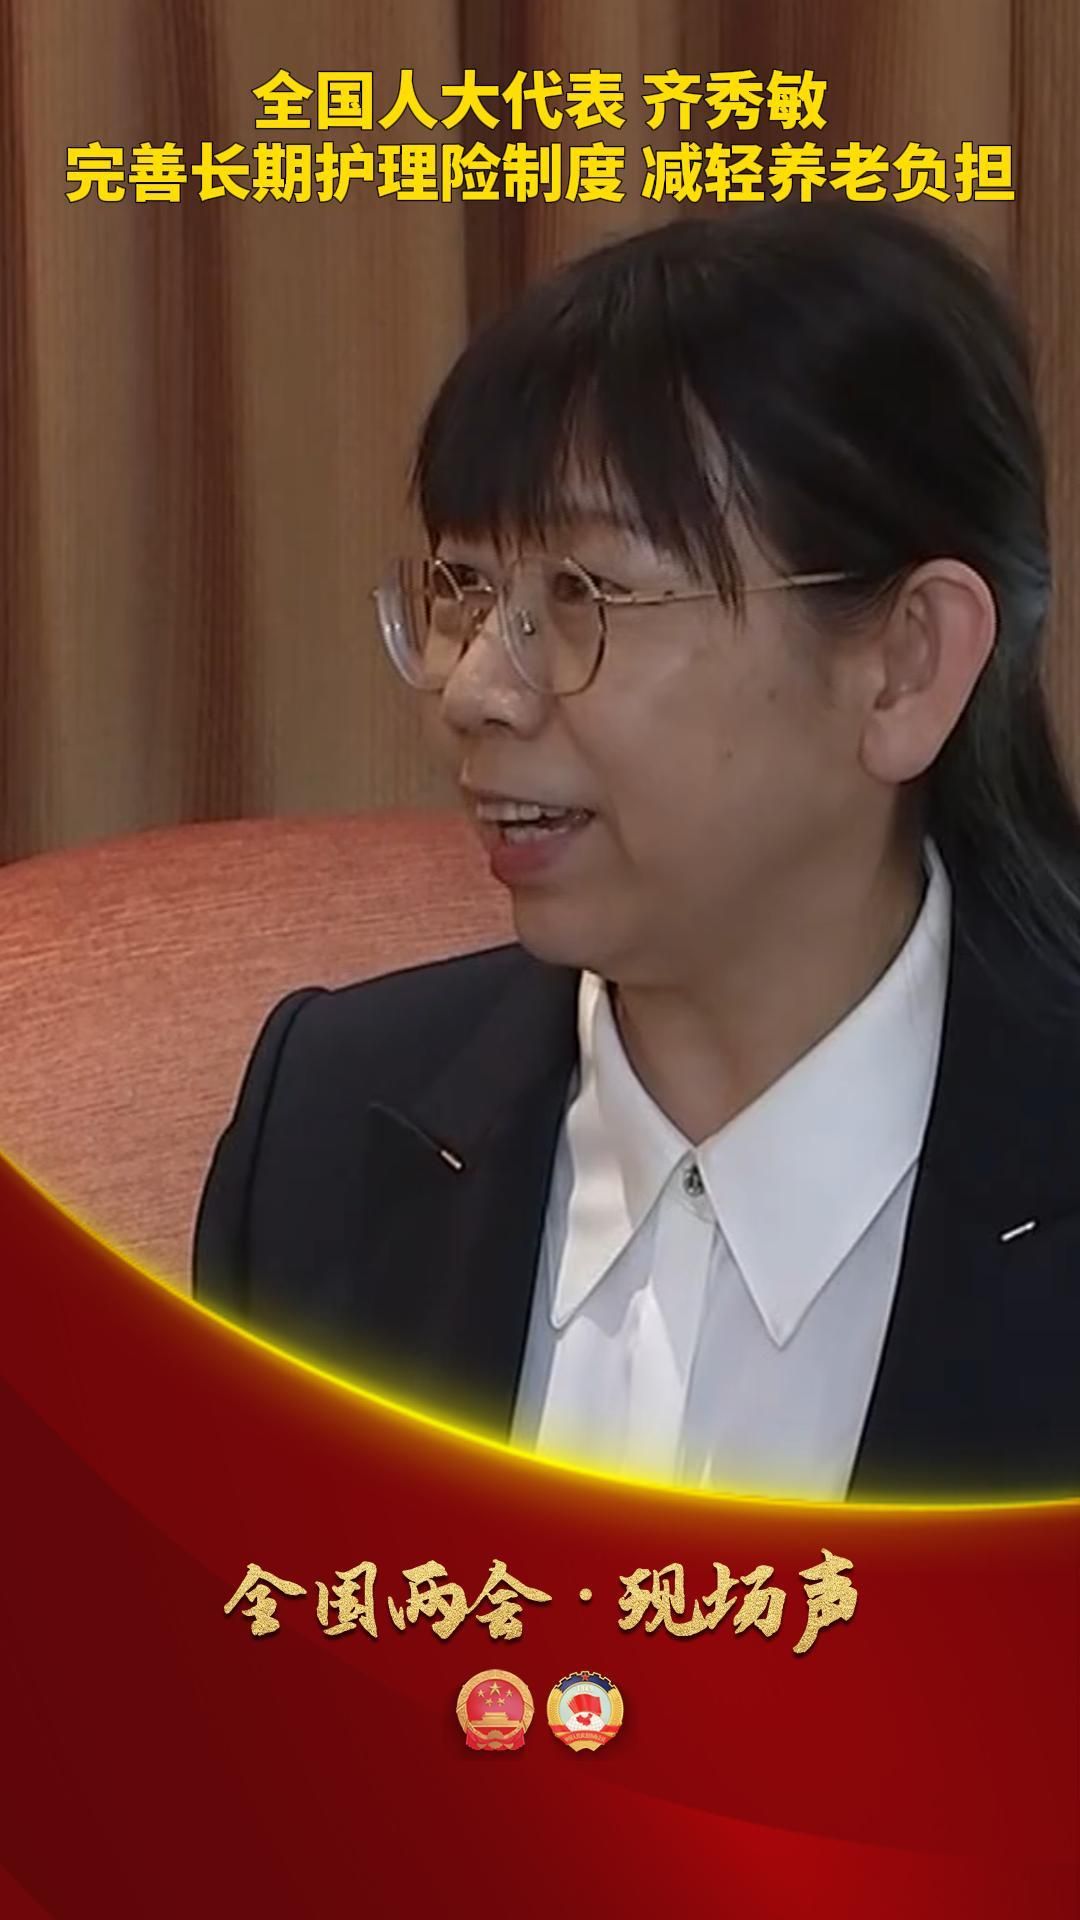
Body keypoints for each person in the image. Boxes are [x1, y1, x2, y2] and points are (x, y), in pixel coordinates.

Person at [193, 202, 1080, 1501]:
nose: (473, 690)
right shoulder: (328, 1123)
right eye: (461, 593)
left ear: (904, 664)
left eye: (583, 595)